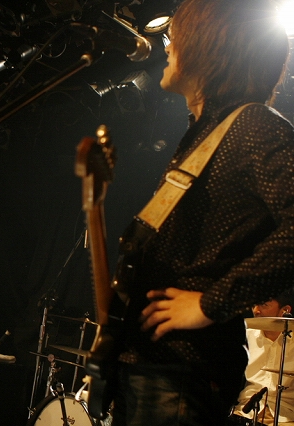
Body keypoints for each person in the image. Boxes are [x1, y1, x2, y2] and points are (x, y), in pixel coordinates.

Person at [109, 1, 294, 425]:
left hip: (181, 372)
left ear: (210, 46)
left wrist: (210, 304)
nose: (167, 46)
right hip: (152, 365)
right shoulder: (207, 133)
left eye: (177, 36)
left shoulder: (254, 125)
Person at [229, 290, 294, 426]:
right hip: (243, 412)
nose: (256, 310)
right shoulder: (245, 337)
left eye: (264, 305)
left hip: (285, 417)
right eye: (254, 305)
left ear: (285, 310)